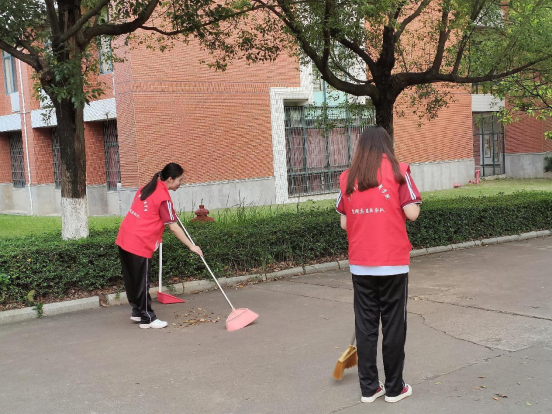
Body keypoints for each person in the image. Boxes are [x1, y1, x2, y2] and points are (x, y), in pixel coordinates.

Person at [336, 126, 421, 403]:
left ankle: (369, 388)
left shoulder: (348, 177)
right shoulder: (399, 171)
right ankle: (395, 388)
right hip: (393, 262)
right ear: (387, 145)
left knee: (366, 325)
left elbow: (344, 222)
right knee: (394, 325)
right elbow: (412, 213)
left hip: (361, 263)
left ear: (360, 146)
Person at [116, 163, 203, 329]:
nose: (180, 183)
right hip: (140, 241)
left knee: (132, 279)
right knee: (142, 281)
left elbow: (149, 211)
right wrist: (191, 246)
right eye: (180, 180)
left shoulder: (146, 188)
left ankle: (137, 311)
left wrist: (169, 211)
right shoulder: (163, 197)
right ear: (170, 179)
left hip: (125, 236)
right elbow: (173, 227)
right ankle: (147, 318)